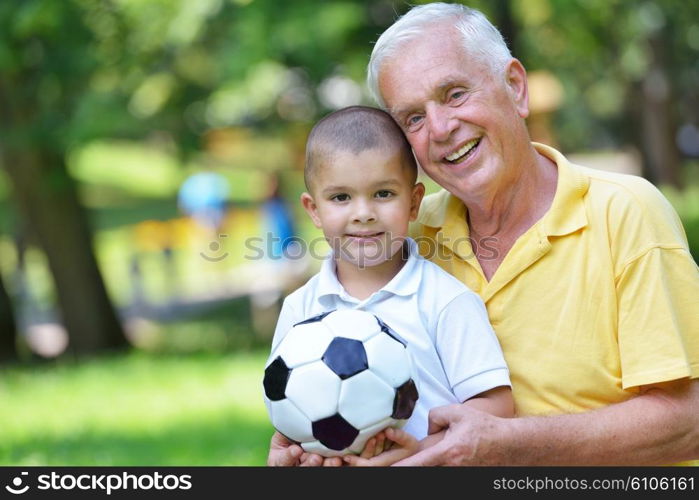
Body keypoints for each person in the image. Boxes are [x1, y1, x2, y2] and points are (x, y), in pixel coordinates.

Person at [361, 2, 698, 465]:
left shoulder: (625, 212)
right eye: (413, 118)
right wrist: (311, 436)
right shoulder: (407, 236)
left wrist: (511, 444)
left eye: (455, 94)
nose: (440, 128)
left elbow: (689, 420)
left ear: (515, 88)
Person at [267, 105, 514, 466]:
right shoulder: (300, 309)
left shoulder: (446, 301)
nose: (363, 212)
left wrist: (421, 454)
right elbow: (288, 412)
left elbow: (497, 407)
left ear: (414, 202)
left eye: (383, 194)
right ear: (313, 209)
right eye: (340, 197)